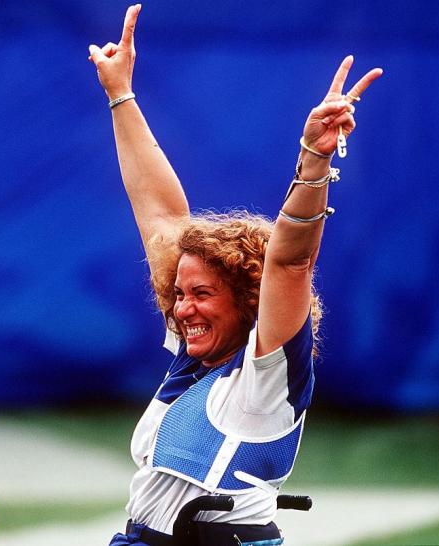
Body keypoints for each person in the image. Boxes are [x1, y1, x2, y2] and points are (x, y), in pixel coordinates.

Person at [88, 5, 382, 545]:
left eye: (201, 294)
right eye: (180, 294)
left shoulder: (265, 378)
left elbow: (290, 261)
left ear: (248, 299)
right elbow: (162, 218)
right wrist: (120, 95)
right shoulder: (194, 356)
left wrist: (314, 160)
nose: (181, 308)